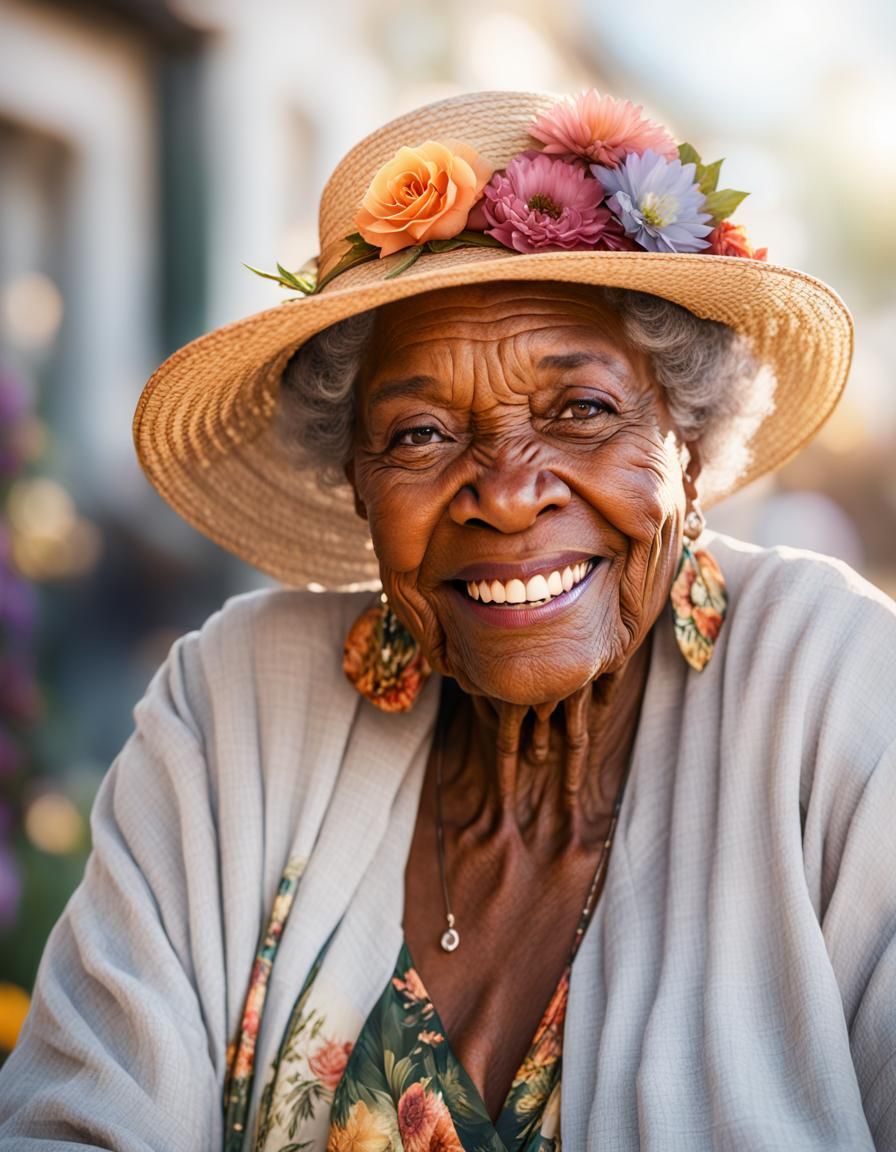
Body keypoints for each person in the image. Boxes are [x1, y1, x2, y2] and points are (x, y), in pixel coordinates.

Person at [1, 89, 894, 1152]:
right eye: (420, 434)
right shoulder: (231, 706)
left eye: (581, 410)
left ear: (686, 447)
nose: (507, 493)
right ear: (355, 482)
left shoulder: (833, 681)